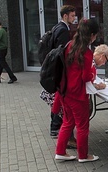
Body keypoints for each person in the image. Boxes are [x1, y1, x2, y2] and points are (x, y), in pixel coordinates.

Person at [55, 18, 100, 162]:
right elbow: (86, 76)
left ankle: (60, 152)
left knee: (68, 122)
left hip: (65, 91)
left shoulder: (70, 45)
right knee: (82, 126)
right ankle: (83, 155)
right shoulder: (86, 52)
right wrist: (93, 74)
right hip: (78, 94)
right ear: (92, 35)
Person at [44, 5, 76, 138]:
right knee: (59, 99)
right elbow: (63, 52)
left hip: (54, 69)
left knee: (57, 99)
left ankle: (55, 126)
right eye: (72, 16)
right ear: (65, 16)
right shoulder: (63, 30)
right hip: (59, 70)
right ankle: (56, 127)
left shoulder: (57, 27)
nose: (74, 18)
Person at [0, 19, 18, 84]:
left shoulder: (0, 31)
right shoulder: (3, 30)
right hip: (2, 49)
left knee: (4, 64)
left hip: (0, 49)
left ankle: (12, 77)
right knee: (0, 64)